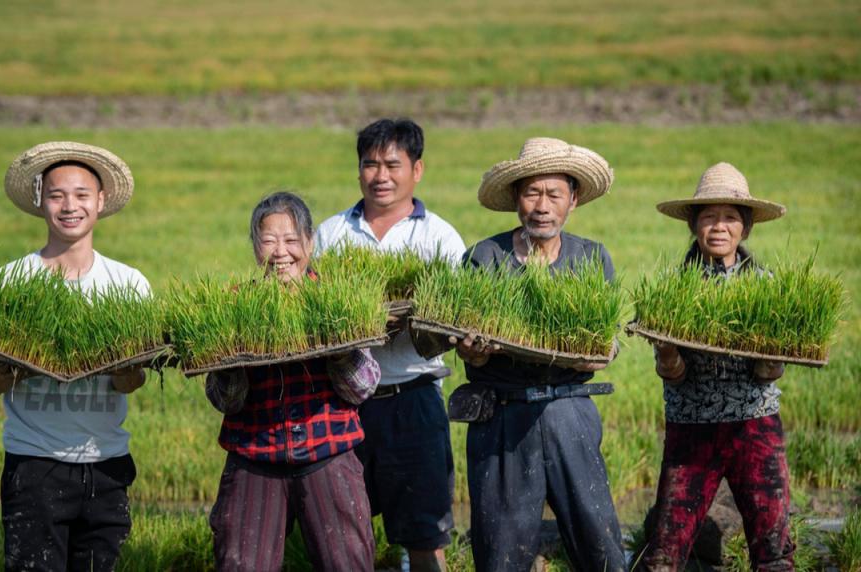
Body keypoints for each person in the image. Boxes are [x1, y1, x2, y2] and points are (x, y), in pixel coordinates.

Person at [455, 137, 626, 571]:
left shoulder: (591, 258)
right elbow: (469, 351)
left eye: (554, 194)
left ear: (574, 199)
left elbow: (603, 343)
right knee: (500, 553)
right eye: (532, 192)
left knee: (599, 543)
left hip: (569, 414)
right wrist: (474, 354)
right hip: (503, 419)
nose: (542, 205)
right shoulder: (485, 258)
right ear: (516, 198)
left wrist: (599, 351)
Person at [0, 141, 150, 571]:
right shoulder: (9, 283)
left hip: (108, 463)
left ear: (101, 200)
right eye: (56, 195)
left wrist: (127, 367)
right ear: (40, 201)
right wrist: (10, 365)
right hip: (35, 464)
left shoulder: (128, 285)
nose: (69, 206)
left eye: (81, 195)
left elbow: (131, 382)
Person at [314, 118, 466, 571]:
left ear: (416, 170)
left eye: (392, 164)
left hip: (414, 400)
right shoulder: (330, 233)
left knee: (424, 535)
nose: (380, 176)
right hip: (343, 404)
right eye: (370, 164)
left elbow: (457, 317)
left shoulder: (438, 236)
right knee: (343, 535)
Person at [206, 191, 379, 571]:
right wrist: (231, 361)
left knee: (346, 563)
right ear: (255, 247)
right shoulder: (233, 305)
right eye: (268, 240)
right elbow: (224, 400)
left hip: (327, 452)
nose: (280, 252)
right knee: (240, 563)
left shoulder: (337, 300)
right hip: (255, 455)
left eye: (291, 240)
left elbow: (364, 387)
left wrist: (339, 352)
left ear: (311, 243)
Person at [641, 162, 793, 571]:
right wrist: (667, 352)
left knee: (774, 544)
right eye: (709, 217)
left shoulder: (768, 286)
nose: (719, 226)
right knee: (666, 551)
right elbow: (672, 373)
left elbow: (769, 373)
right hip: (692, 427)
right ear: (694, 226)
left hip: (755, 426)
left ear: (746, 227)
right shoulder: (673, 288)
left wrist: (770, 356)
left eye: (730, 217)